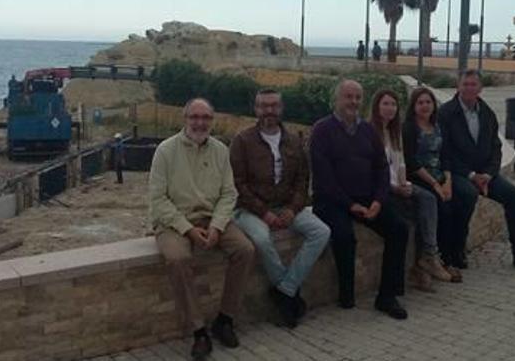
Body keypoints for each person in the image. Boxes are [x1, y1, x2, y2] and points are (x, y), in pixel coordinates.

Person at [149, 98, 255, 360]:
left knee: (245, 249)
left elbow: (229, 194)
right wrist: (188, 230)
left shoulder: (220, 150)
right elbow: (158, 199)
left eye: (205, 117)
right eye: (194, 117)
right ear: (185, 119)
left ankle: (225, 319)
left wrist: (218, 226)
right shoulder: (165, 151)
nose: (200, 122)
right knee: (177, 259)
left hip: (212, 218)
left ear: (212, 120)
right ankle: (198, 330)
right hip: (174, 221)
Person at [229, 89, 330, 328]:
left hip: (287, 207)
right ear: (256, 109)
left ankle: (285, 289)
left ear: (281, 109)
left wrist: (293, 209)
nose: (269, 111)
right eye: (264, 106)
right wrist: (264, 212)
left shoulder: (294, 141)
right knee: (262, 240)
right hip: (250, 210)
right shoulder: (242, 141)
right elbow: (237, 183)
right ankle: (289, 296)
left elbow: (302, 180)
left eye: (274, 106)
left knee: (321, 232)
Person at [310, 80, 409, 320]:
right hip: (332, 201)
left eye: (357, 97)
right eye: (348, 97)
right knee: (344, 236)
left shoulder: (367, 131)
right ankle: (347, 294)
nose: (353, 102)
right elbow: (324, 177)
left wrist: (378, 200)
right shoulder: (322, 130)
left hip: (367, 198)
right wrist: (350, 205)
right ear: (337, 99)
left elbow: (381, 169)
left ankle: (387, 295)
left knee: (399, 229)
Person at [438, 70, 515, 274]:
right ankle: (456, 250)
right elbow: (445, 151)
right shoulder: (446, 113)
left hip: (485, 174)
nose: (469, 88)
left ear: (480, 88)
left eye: (473, 84)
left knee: (514, 195)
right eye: (465, 84)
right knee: (467, 194)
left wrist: (488, 174)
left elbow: (496, 148)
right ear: (458, 87)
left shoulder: (487, 113)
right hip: (458, 173)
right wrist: (470, 175)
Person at [399, 88, 462, 284]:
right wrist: (435, 184)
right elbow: (411, 161)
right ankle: (431, 259)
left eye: (428, 102)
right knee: (439, 208)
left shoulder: (438, 126)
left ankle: (447, 258)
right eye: (420, 102)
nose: (425, 106)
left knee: (454, 205)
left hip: (439, 176)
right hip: (419, 177)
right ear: (414, 106)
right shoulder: (409, 128)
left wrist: (448, 182)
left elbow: (446, 156)